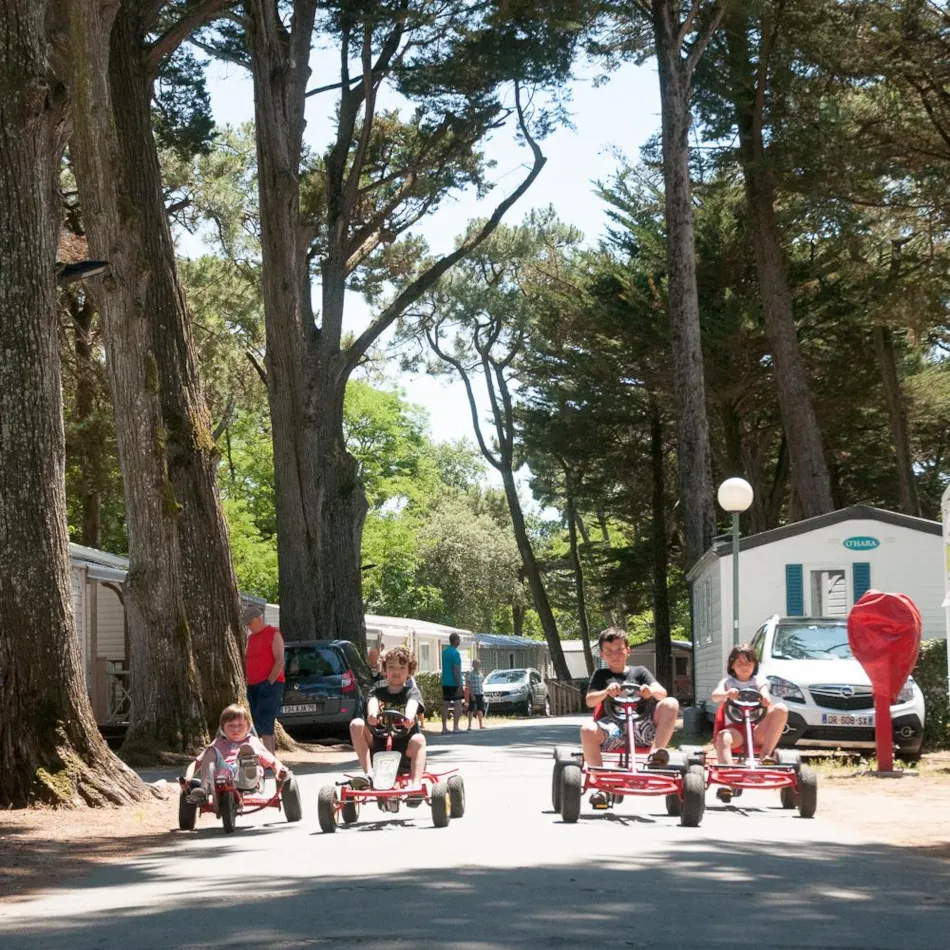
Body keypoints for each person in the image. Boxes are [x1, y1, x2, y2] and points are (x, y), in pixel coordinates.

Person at [580, 627, 679, 806]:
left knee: (671, 703)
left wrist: (649, 690)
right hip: (613, 728)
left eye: (619, 649)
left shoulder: (639, 672)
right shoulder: (601, 675)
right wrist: (605, 692)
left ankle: (655, 757)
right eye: (609, 651)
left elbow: (662, 693)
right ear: (602, 655)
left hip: (643, 727)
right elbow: (589, 701)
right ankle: (603, 785)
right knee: (587, 729)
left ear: (628, 651)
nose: (614, 655)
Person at [349, 645, 426, 790]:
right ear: (384, 670)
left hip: (405, 749)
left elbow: (412, 705)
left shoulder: (412, 692)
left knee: (419, 739)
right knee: (356, 724)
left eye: (402, 668)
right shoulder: (377, 690)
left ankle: (416, 785)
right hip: (379, 746)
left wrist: (409, 718)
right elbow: (372, 702)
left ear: (409, 671)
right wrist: (372, 715)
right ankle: (369, 774)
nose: (396, 672)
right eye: (391, 667)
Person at [185, 703, 289, 804]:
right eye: (230, 725)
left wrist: (280, 772)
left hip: (245, 772)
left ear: (248, 726)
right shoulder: (218, 742)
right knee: (210, 751)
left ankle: (246, 774)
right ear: (223, 727)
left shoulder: (252, 741)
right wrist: (188, 778)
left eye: (240, 725)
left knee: (246, 751)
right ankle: (204, 789)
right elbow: (197, 763)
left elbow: (273, 762)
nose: (236, 729)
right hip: (223, 772)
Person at [711, 643, 788, 767]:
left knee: (781, 708)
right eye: (740, 664)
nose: (744, 667)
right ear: (732, 666)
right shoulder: (727, 683)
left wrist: (765, 699)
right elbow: (715, 696)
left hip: (757, 728)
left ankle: (765, 756)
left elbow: (765, 693)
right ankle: (728, 775)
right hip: (735, 730)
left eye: (748, 664)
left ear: (754, 665)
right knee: (723, 737)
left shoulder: (759, 682)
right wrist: (727, 694)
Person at [242, 603, 285, 754]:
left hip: (270, 684)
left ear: (258, 619)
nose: (248, 626)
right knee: (256, 720)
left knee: (265, 720)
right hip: (253, 685)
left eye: (250, 623)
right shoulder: (252, 638)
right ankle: (266, 755)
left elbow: (279, 660)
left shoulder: (273, 633)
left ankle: (269, 757)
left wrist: (269, 682)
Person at [440, 633, 464, 734]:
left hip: (445, 681)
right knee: (458, 704)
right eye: (459, 640)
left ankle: (444, 727)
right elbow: (456, 669)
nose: (460, 642)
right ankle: (455, 727)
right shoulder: (455, 653)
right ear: (455, 641)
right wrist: (459, 684)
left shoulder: (444, 652)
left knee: (445, 704)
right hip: (454, 683)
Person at [465, 658, 486, 731]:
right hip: (473, 693)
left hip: (480, 693)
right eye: (475, 664)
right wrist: (472, 694)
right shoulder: (470, 674)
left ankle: (481, 725)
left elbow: (481, 684)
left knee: (480, 709)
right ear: (473, 665)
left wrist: (483, 695)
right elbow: (468, 684)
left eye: (478, 664)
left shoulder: (481, 674)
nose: (477, 665)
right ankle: (469, 726)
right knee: (471, 710)